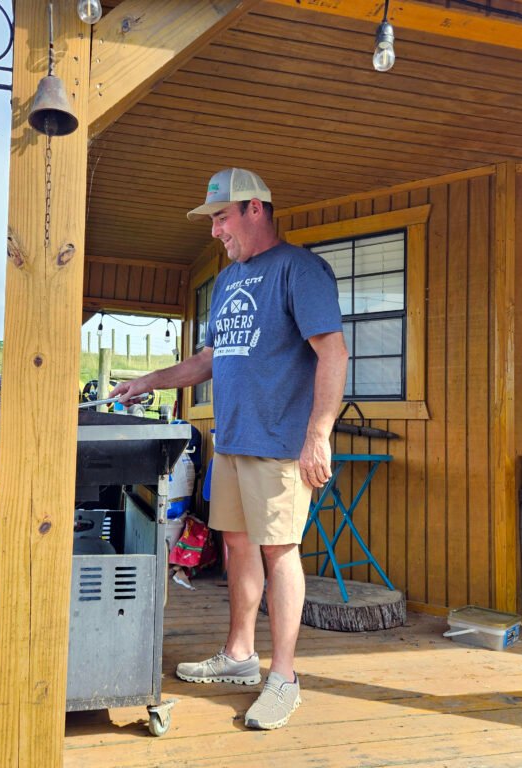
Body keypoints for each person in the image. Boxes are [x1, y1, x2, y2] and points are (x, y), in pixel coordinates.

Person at [110, 168, 348, 730]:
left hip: (280, 444)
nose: (215, 231)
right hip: (234, 440)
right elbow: (209, 360)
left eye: (221, 217)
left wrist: (319, 434)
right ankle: (240, 655)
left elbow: (333, 354)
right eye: (213, 220)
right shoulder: (227, 283)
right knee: (239, 547)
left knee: (279, 552)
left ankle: (284, 676)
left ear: (256, 210)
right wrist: (150, 381)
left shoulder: (301, 270)